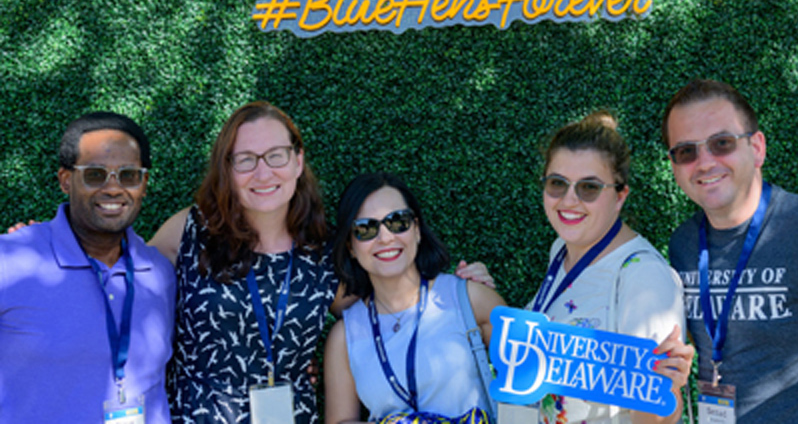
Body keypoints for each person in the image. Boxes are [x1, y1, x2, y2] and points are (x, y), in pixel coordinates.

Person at [149, 102, 493, 424]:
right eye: (246, 159)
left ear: (298, 161)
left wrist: (454, 291)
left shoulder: (323, 250)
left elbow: (386, 313)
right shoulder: (190, 231)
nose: (263, 172)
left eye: (276, 156)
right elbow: (130, 293)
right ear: (226, 168)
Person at [0, 112, 176, 423]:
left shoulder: (159, 273)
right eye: (95, 174)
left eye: (129, 175)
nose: (112, 189)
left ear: (144, 184)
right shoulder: (11, 261)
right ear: (66, 180)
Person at [527, 111, 693, 424]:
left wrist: (666, 389)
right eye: (556, 183)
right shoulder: (561, 250)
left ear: (619, 197)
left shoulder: (643, 277)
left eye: (589, 187)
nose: (569, 200)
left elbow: (654, 417)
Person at [662, 79, 798, 424]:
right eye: (686, 151)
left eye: (721, 143)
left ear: (757, 148)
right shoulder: (682, 243)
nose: (705, 162)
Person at [324, 172, 506, 424]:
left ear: (417, 230)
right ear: (350, 247)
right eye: (366, 228)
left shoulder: (468, 298)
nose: (385, 237)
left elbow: (527, 383)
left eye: (398, 221)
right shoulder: (344, 337)